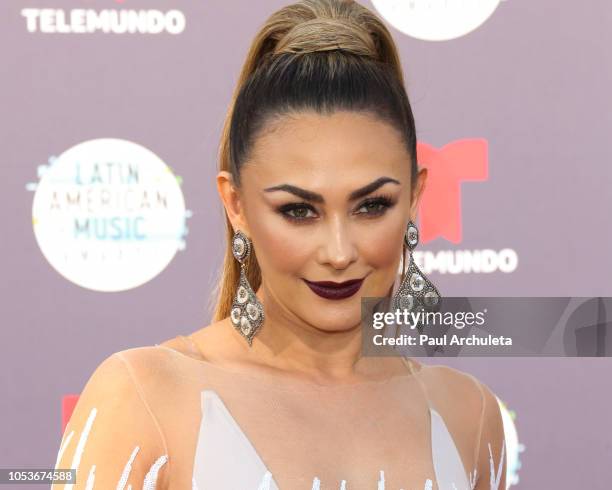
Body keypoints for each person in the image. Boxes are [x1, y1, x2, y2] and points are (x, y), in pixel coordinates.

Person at [52, 1, 506, 488]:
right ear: (236, 205)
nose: (338, 251)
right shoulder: (144, 397)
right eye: (298, 210)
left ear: (414, 198)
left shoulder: (468, 415)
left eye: (371, 206)